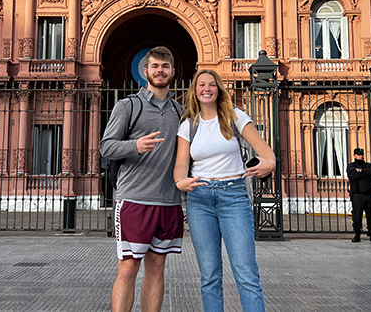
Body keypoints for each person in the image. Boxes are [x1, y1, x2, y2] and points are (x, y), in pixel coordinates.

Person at [174, 69, 275, 312]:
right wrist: (180, 182)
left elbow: (265, 151)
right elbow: (180, 164)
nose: (206, 88)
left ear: (218, 89)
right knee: (209, 276)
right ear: (195, 91)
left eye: (211, 84)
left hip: (234, 197)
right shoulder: (188, 125)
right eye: (201, 85)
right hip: (200, 199)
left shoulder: (234, 116)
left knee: (246, 274)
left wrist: (269, 162)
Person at [99, 46, 184, 312]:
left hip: (169, 203)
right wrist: (135, 146)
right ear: (145, 71)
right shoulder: (128, 105)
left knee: (157, 269)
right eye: (155, 66)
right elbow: (106, 147)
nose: (160, 71)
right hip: (134, 200)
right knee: (128, 267)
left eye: (165, 67)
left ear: (173, 72)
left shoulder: (180, 111)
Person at [347, 148, 371, 242]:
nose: (361, 156)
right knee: (357, 216)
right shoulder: (351, 166)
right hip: (357, 194)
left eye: (362, 155)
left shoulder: (368, 165)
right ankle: (357, 234)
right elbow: (354, 175)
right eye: (359, 155)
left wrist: (361, 171)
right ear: (354, 155)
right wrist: (364, 172)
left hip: (369, 194)